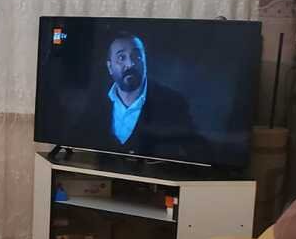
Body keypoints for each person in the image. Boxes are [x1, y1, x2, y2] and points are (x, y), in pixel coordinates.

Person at [78, 31, 209, 162]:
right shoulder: (95, 103)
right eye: (121, 57)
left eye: (137, 56)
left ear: (145, 61)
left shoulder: (173, 102)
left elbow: (196, 152)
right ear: (110, 67)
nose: (130, 63)